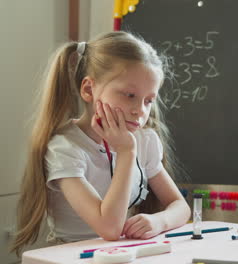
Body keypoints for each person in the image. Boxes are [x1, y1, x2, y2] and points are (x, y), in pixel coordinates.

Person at [12, 31, 191, 255]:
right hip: (71, 257)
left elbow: (181, 207)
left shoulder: (144, 141)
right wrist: (126, 153)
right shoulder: (65, 148)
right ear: (88, 89)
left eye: (148, 100)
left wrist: (160, 222)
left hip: (121, 255)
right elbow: (109, 228)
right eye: (129, 95)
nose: (140, 111)